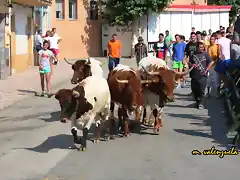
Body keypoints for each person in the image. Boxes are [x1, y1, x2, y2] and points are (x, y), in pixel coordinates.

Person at [189, 42, 211, 109]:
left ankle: (201, 103)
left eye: (202, 47)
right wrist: (192, 65)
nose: (201, 48)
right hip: (194, 75)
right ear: (197, 48)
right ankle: (197, 102)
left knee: (201, 90)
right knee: (194, 90)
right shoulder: (193, 54)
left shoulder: (206, 54)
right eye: (200, 47)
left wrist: (206, 70)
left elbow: (211, 62)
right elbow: (190, 62)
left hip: (202, 76)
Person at [215, 30, 231, 94]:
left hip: (222, 59)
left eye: (216, 35)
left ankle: (227, 87)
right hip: (229, 59)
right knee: (227, 74)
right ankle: (227, 86)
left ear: (219, 35)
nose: (216, 37)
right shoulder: (228, 40)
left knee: (221, 74)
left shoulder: (218, 41)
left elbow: (219, 50)